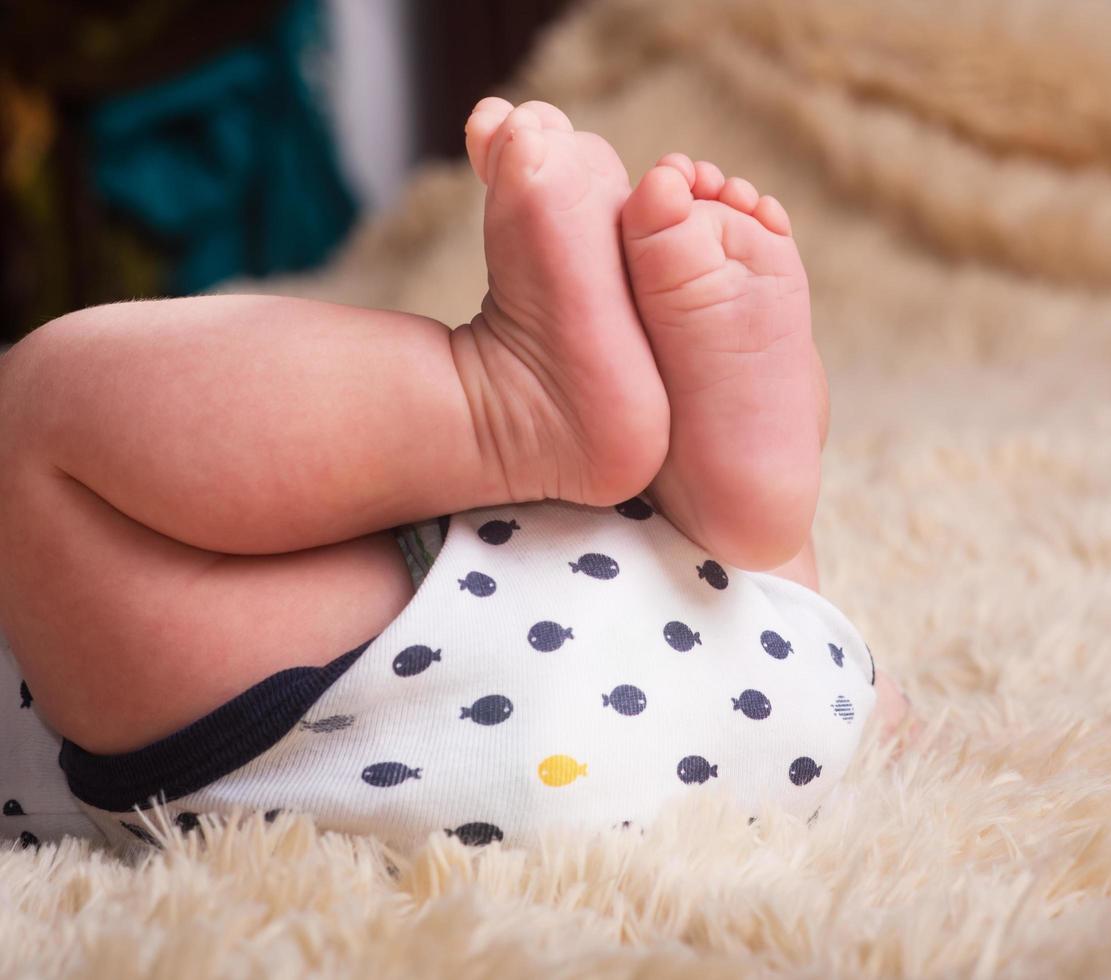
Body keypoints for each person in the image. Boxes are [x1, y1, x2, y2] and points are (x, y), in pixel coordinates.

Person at [0, 99, 909, 852]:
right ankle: (533, 422)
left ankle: (698, 497)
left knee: (159, 505)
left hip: (587, 678)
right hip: (790, 694)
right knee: (41, 416)